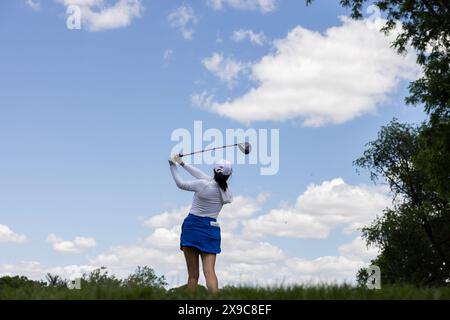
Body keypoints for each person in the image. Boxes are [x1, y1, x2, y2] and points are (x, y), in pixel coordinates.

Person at [168, 154, 233, 293]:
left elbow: (181, 184)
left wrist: (172, 165)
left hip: (193, 228)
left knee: (193, 276)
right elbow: (203, 176)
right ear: (229, 175)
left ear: (214, 171)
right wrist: (182, 163)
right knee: (210, 272)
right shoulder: (227, 192)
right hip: (211, 230)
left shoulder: (203, 184)